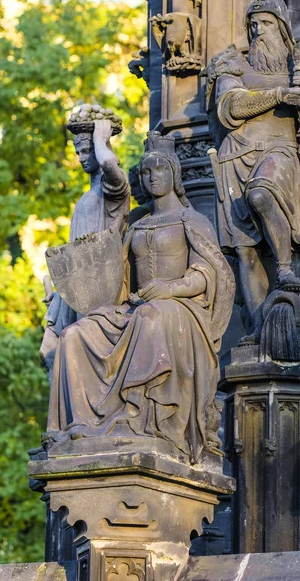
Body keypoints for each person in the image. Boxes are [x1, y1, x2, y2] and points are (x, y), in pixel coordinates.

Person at [44, 132, 235, 464]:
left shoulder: (193, 220)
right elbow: (117, 278)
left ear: (174, 174)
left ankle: (138, 420)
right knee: (75, 335)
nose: (151, 177)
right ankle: (78, 426)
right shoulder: (136, 225)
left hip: (179, 310)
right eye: (146, 172)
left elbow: (210, 273)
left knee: (150, 317)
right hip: (133, 307)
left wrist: (170, 289)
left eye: (159, 169)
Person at [202, 0, 300, 344]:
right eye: (253, 25)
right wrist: (280, 95)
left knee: (262, 194)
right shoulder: (233, 66)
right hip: (234, 160)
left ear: (282, 28)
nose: (257, 31)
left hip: (281, 153)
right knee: (245, 252)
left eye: (266, 23)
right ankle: (255, 330)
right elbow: (231, 106)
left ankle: (284, 270)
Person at [40, 111, 130, 381]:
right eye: (78, 152)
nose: (80, 158)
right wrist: (62, 292)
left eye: (87, 151)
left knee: (84, 351)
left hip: (103, 286)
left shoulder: (113, 191)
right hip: (80, 284)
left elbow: (111, 168)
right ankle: (70, 417)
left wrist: (101, 141)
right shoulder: (84, 199)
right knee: (49, 352)